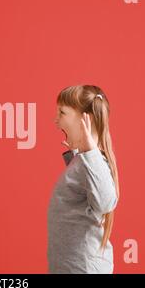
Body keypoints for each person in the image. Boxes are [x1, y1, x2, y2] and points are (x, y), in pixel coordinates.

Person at [48, 85, 120, 273]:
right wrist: (77, 156)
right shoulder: (86, 160)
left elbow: (105, 202)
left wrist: (89, 153)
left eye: (62, 113)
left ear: (85, 119)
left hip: (83, 268)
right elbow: (81, 191)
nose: (56, 121)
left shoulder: (96, 160)